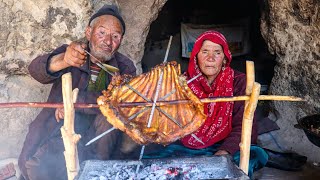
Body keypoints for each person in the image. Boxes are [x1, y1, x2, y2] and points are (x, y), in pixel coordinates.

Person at [18, 5, 138, 180]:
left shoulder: (124, 67)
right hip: (60, 128)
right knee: (40, 169)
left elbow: (120, 103)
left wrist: (74, 102)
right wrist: (63, 60)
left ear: (120, 40)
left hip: (99, 139)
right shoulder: (73, 53)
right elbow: (35, 70)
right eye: (102, 33)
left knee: (110, 118)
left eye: (115, 36)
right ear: (89, 33)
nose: (108, 41)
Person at [143, 31, 268, 177]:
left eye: (217, 53)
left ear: (225, 58)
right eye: (205, 52)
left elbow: (246, 125)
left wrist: (224, 152)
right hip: (186, 146)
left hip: (223, 144)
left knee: (252, 155)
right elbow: (168, 123)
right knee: (150, 164)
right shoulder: (182, 83)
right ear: (196, 56)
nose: (211, 58)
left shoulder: (240, 82)